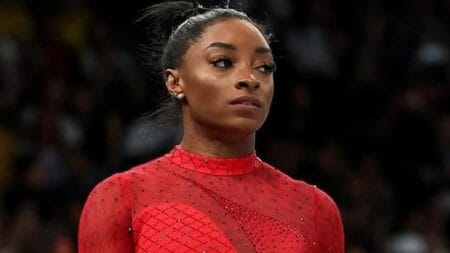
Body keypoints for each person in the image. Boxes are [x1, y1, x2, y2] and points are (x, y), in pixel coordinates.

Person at [78, 1, 345, 252]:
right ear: (175, 82)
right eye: (223, 62)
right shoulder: (121, 197)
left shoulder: (315, 209)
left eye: (264, 67)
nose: (250, 79)